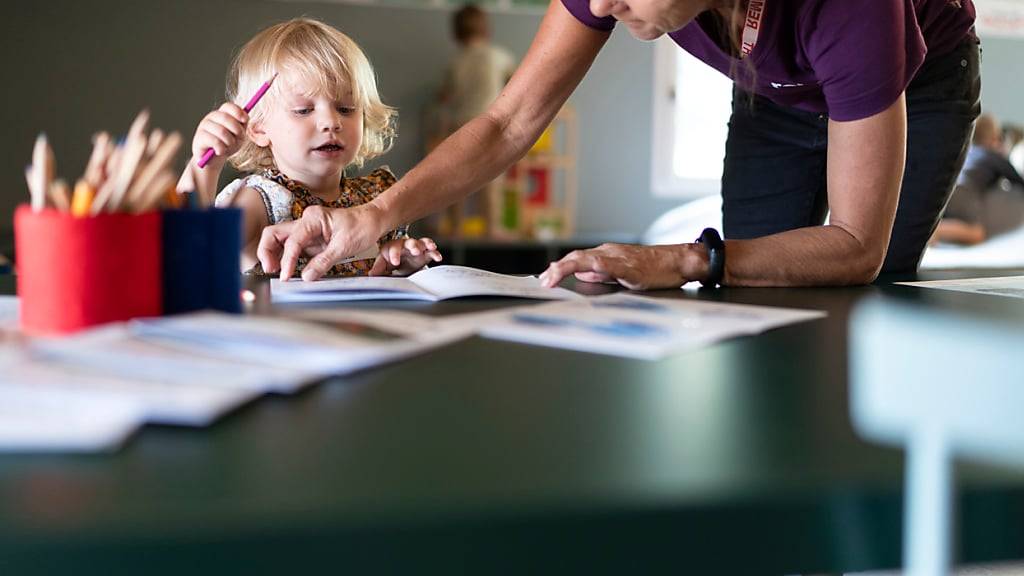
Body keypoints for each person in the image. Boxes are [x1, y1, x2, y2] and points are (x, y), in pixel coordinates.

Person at [255, 0, 980, 289]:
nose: (599, 5)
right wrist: (375, 214)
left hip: (915, 84)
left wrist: (684, 258)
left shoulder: (854, 8)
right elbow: (508, 124)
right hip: (774, 88)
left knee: (861, 289)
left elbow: (855, 241)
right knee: (761, 303)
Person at [179, 17, 441, 276]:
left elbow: (386, 271)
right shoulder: (260, 200)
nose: (331, 122)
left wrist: (401, 262)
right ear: (258, 129)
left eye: (346, 108)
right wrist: (206, 167)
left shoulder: (375, 198)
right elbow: (192, 252)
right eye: (303, 110)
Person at [432, 4, 517, 236]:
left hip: (461, 125)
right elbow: (516, 84)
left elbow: (445, 95)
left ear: (456, 34)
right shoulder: (499, 56)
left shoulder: (456, 61)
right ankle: (493, 228)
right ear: (486, 29)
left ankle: (456, 227)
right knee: (492, 178)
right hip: (490, 123)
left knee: (458, 179)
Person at [936, 114, 1024, 244]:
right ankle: (937, 231)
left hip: (949, 188)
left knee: (955, 215)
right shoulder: (992, 156)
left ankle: (938, 225)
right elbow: (1015, 178)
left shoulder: (968, 152)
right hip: (965, 190)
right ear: (994, 139)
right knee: (977, 234)